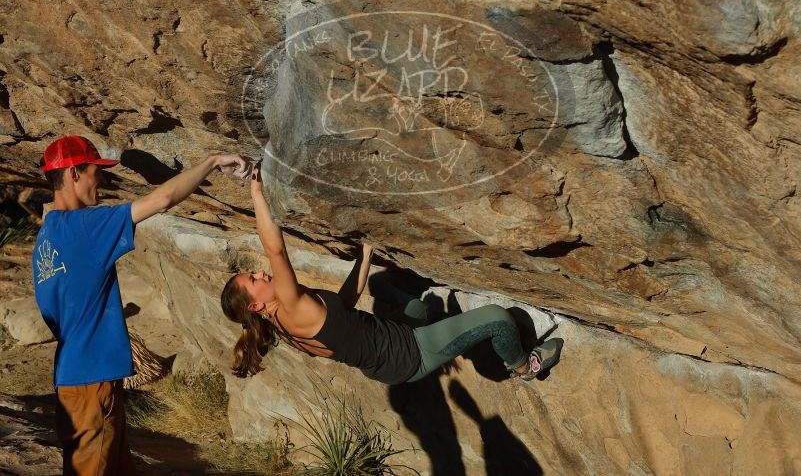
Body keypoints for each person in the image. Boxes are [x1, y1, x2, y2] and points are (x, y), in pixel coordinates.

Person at [220, 162, 563, 385]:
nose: (262, 274)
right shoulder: (289, 309)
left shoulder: (283, 322)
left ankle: (428, 320)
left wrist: (365, 253)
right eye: (254, 280)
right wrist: (257, 191)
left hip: (385, 355)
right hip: (410, 354)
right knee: (498, 319)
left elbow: (342, 304)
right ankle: (523, 367)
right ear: (254, 307)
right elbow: (275, 249)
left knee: (416, 307)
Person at [32, 135, 250, 476]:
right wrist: (211, 162)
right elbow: (162, 198)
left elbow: (52, 311)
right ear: (73, 174)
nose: (101, 179)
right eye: (94, 171)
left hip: (73, 376)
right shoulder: (87, 226)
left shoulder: (46, 237)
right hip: (92, 378)